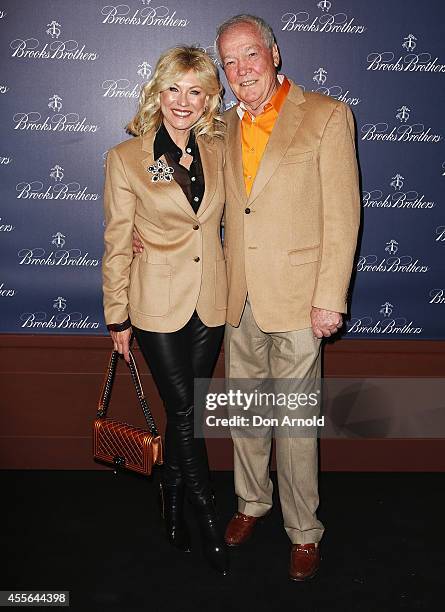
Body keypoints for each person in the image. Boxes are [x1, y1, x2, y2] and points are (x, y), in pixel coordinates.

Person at [216, 15, 360, 581]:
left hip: (302, 300)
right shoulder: (222, 125)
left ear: (274, 53)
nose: (240, 69)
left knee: (295, 423)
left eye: (249, 54)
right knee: (246, 413)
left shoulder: (325, 115)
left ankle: (304, 530)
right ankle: (251, 502)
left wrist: (331, 297)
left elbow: (343, 217)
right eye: (229, 61)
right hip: (240, 298)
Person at [102, 46, 229, 575]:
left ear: (208, 99)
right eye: (174, 89)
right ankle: (206, 518)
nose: (183, 101)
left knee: (188, 414)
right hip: (154, 302)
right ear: (158, 93)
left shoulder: (221, 149)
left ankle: (170, 498)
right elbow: (115, 242)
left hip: (212, 299)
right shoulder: (127, 158)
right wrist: (117, 317)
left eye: (195, 90)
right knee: (184, 412)